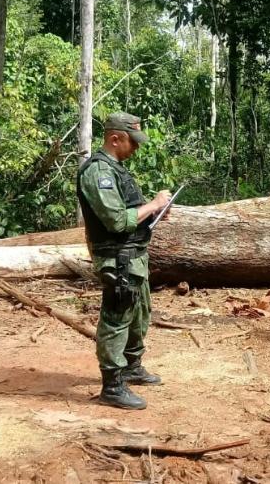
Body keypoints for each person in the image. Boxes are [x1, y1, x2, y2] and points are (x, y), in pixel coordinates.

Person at [76, 112, 172, 410]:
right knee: (117, 318)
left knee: (139, 312)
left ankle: (131, 366)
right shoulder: (98, 172)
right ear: (115, 138)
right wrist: (153, 204)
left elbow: (131, 212)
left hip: (133, 256)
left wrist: (155, 211)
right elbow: (117, 221)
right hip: (117, 258)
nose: (137, 148)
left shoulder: (116, 169)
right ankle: (112, 385)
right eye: (133, 142)